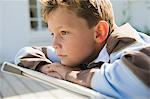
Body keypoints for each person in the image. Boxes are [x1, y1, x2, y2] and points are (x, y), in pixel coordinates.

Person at [14, 0, 150, 98]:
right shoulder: (78, 51)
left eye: (64, 32)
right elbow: (24, 54)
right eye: (52, 33)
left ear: (99, 32)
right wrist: (45, 68)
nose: (55, 44)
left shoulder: (125, 42)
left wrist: (71, 74)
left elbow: (140, 82)